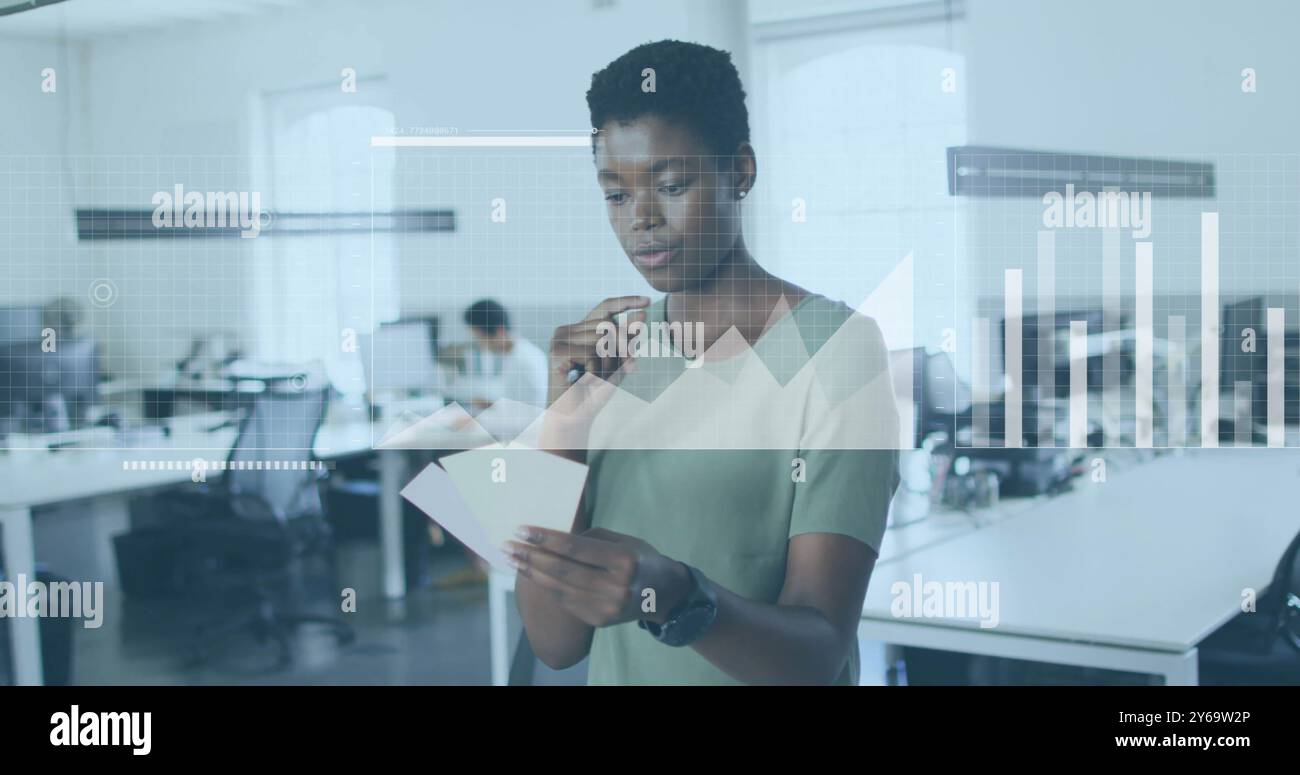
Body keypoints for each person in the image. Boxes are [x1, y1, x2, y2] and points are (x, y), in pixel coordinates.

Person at [507, 40, 900, 685]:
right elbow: (555, 644)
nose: (644, 222)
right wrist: (561, 431)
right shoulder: (614, 358)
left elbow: (818, 652)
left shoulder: (838, 351)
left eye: (670, 184)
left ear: (740, 171)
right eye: (616, 196)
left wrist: (679, 596)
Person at [459, 299, 548, 411]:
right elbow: (518, 404)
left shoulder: (523, 361)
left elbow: (526, 416)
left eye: (479, 337)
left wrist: (475, 422)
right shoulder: (520, 353)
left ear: (499, 331)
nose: (479, 343)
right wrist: (491, 405)